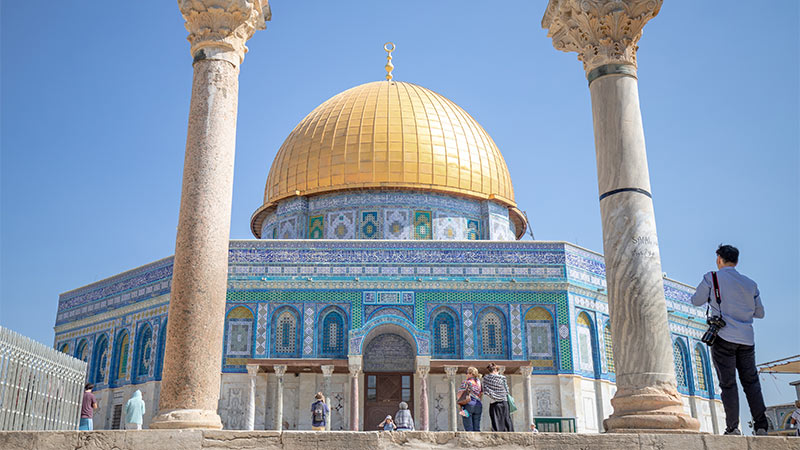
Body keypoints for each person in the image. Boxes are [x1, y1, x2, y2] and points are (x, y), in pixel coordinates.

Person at [690, 244, 768, 436]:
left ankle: (733, 427)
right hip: (747, 339)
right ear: (737, 261)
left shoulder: (712, 278)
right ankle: (761, 426)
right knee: (751, 382)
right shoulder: (751, 284)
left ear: (719, 259)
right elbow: (760, 313)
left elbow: (696, 301)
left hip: (723, 337)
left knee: (728, 383)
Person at [481, 363, 513, 432]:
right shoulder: (502, 378)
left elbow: (485, 390)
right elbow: (507, 390)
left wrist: (493, 394)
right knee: (506, 420)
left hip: (494, 402)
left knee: (495, 421)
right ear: (496, 369)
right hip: (504, 401)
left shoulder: (486, 378)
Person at [457, 367, 483, 431]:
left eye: (467, 373)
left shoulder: (466, 382)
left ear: (471, 374)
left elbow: (459, 394)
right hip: (478, 405)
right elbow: (481, 394)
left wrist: (460, 402)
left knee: (468, 426)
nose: (466, 375)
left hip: (468, 405)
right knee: (477, 427)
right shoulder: (479, 383)